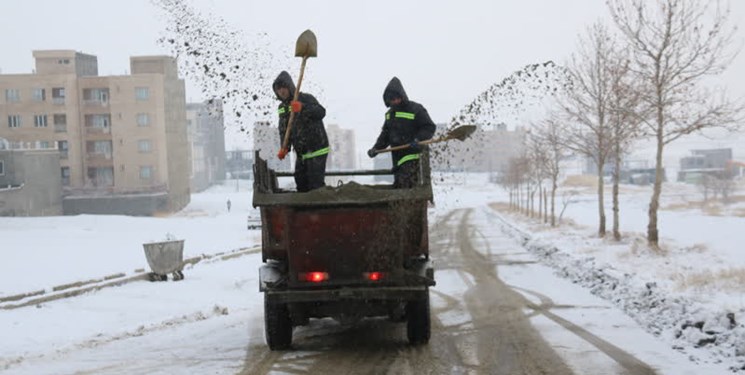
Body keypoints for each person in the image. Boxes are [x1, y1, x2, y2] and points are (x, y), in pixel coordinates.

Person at [367, 77, 436, 188]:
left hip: (413, 156)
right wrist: (376, 149)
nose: (394, 102)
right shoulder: (390, 115)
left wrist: (418, 139)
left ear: (402, 96)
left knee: (408, 186)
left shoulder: (415, 109)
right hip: (397, 159)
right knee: (401, 187)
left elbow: (429, 127)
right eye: (391, 100)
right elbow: (385, 135)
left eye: (396, 98)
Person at [272, 71, 330, 192]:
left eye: (284, 87)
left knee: (315, 186)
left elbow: (321, 112)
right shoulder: (282, 108)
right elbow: (283, 128)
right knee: (301, 182)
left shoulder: (305, 98)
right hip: (301, 153)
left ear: (290, 87)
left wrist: (303, 107)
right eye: (278, 89)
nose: (281, 91)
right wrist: (285, 147)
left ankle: (318, 209)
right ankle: (305, 210)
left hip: (317, 150)